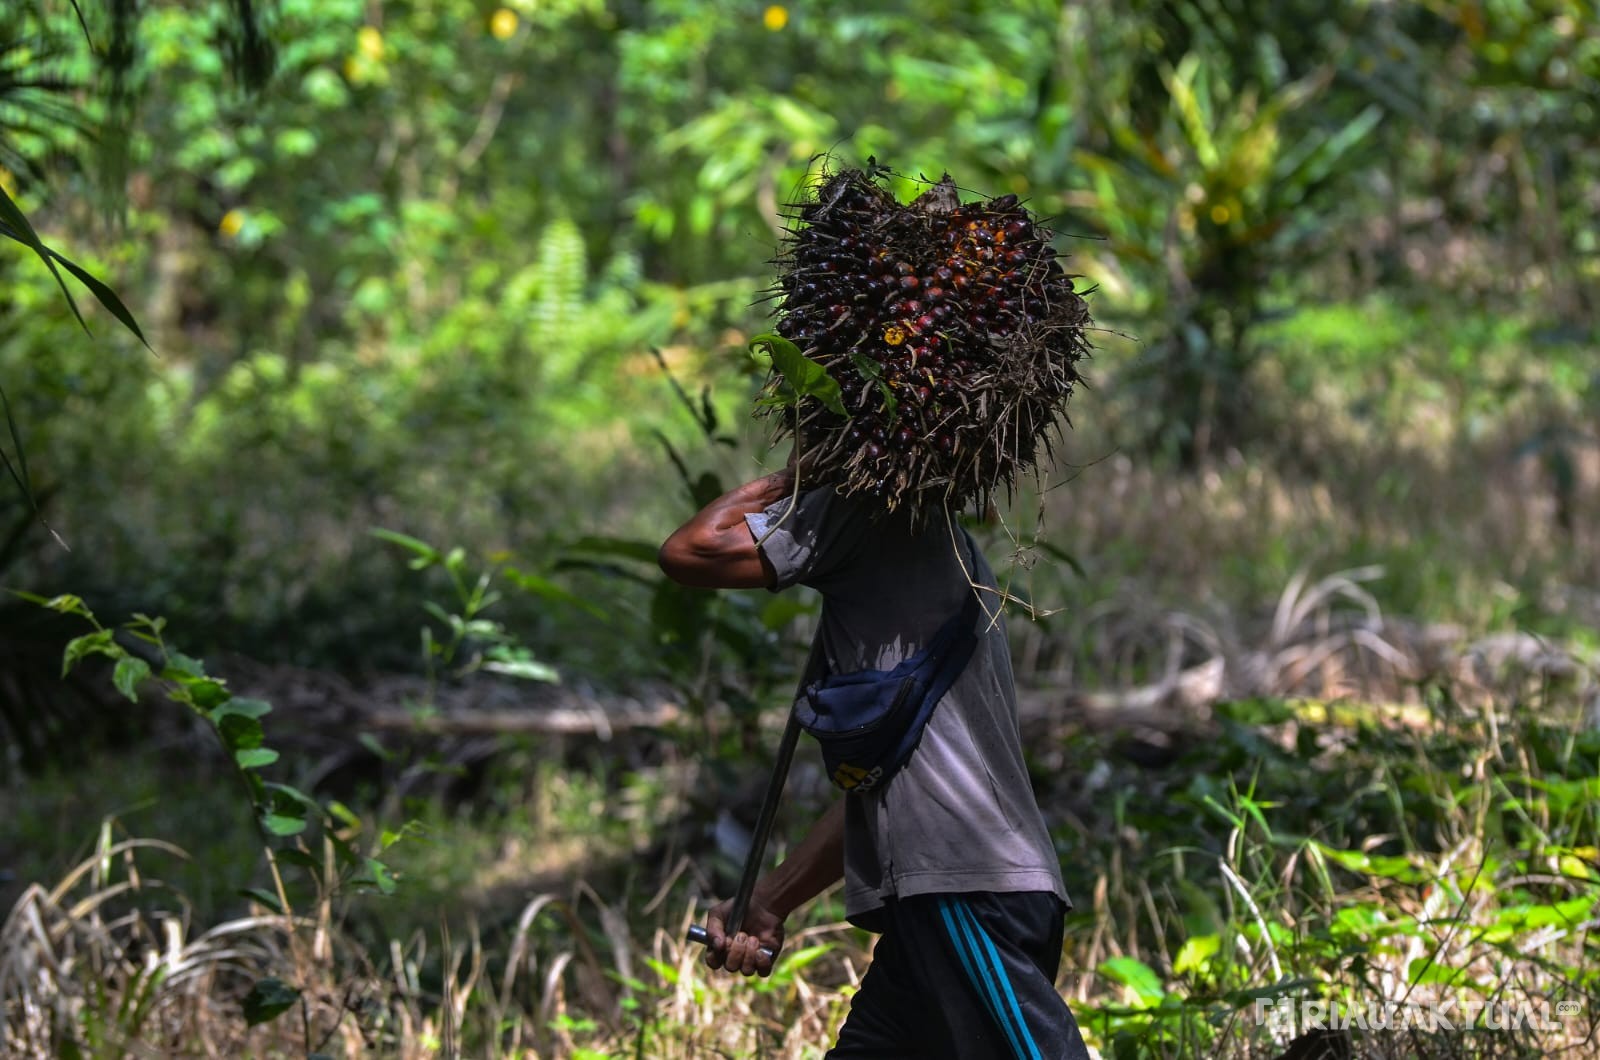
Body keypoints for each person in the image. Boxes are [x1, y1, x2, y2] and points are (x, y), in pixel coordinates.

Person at [658, 461, 1091, 1059]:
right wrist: (771, 900)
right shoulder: (946, 551)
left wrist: (810, 472)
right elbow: (886, 790)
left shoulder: (863, 510)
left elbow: (693, 550)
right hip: (941, 901)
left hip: (962, 897)